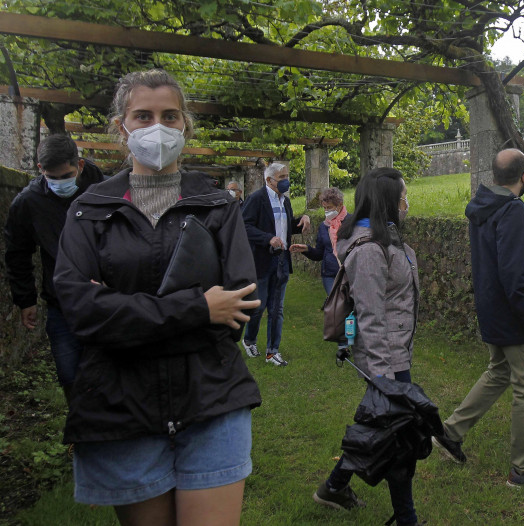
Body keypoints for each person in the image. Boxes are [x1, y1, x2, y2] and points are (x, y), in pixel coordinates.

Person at [52, 69, 262, 526]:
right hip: (122, 407)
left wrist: (122, 316)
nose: (157, 127)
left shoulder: (218, 205)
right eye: (142, 116)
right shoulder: (88, 210)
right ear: (120, 126)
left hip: (211, 399)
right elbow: (82, 313)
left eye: (169, 116)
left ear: (185, 124)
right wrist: (199, 308)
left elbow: (241, 307)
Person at [431, 148, 524, 492]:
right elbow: (513, 270)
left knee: (499, 373)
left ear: (494, 175)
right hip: (512, 314)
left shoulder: (482, 207)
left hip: (492, 307)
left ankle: (450, 433)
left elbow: (501, 266)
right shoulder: (513, 209)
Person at [313, 168, 422, 526]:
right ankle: (406, 519)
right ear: (388, 200)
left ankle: (334, 486)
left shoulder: (385, 237)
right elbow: (372, 318)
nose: (407, 201)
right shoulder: (370, 249)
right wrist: (383, 377)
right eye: (403, 195)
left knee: (376, 429)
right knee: (398, 438)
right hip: (385, 357)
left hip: (394, 351)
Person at [4, 134, 106, 401]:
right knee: (70, 374)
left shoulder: (106, 193)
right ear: (40, 170)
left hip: (108, 298)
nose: (60, 183)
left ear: (80, 165)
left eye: (67, 175)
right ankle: (80, 429)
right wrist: (25, 299)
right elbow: (17, 252)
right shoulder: (28, 203)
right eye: (53, 177)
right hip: (63, 303)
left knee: (110, 369)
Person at [241, 162, 310, 366]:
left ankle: (272, 352)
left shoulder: (285, 201)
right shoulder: (256, 199)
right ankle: (249, 339)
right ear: (269, 180)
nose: (286, 180)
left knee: (277, 309)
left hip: (281, 259)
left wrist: (303, 219)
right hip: (263, 260)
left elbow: (287, 225)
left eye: (287, 176)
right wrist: (267, 238)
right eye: (282, 177)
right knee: (259, 305)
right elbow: (244, 226)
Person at [290, 187, 347, 294]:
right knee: (335, 306)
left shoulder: (351, 223)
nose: (326, 211)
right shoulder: (324, 226)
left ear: (339, 205)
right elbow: (320, 254)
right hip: (329, 275)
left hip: (349, 273)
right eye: (324, 208)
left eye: (329, 207)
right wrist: (307, 249)